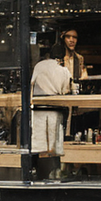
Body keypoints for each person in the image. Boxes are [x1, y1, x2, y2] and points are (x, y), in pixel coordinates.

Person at [30, 43, 71, 181]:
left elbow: (31, 84)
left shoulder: (39, 66)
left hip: (38, 109)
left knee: (38, 143)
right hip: (55, 109)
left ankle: (34, 173)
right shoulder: (64, 71)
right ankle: (55, 173)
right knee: (54, 145)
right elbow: (66, 90)